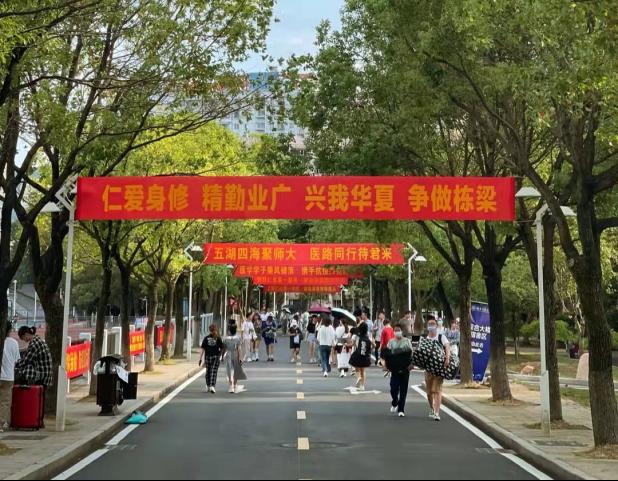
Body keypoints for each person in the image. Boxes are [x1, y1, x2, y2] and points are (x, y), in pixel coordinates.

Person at [384, 324, 413, 418]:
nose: (397, 332)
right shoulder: (391, 342)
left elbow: (411, 354)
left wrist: (411, 365)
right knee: (393, 388)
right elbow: (387, 355)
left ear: (402, 331)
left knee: (403, 390)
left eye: (399, 330)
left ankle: (401, 409)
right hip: (394, 369)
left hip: (405, 369)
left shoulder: (407, 341)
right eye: (395, 330)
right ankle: (395, 401)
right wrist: (386, 366)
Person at [425, 317, 451, 421]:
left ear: (436, 326)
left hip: (439, 369)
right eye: (429, 324)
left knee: (437, 390)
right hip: (429, 369)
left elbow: (447, 346)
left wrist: (447, 358)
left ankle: (437, 412)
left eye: (433, 324)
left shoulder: (441, 337)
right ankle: (432, 408)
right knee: (429, 392)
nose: (431, 326)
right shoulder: (426, 339)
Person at [1, 324, 20, 431]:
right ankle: (2, 423)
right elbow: (17, 360)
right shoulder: (13, 343)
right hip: (8, 377)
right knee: (5, 402)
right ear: (9, 330)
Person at [199, 325, 226, 394]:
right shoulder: (214, 338)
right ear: (215, 330)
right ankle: (210, 385)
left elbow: (222, 348)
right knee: (211, 372)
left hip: (211, 357)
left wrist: (200, 359)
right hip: (212, 357)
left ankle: (211, 386)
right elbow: (222, 348)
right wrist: (221, 356)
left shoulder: (213, 338)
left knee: (210, 371)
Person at [349, 322, 374, 391]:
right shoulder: (369, 336)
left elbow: (353, 344)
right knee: (363, 370)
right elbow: (373, 345)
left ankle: (358, 377)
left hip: (358, 354)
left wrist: (347, 344)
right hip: (365, 356)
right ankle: (362, 386)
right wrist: (369, 349)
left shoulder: (356, 335)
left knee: (355, 365)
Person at [223, 325, 247, 394]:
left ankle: (231, 385)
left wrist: (221, 356)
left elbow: (224, 348)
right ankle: (235, 384)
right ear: (235, 331)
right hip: (235, 354)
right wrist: (240, 358)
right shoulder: (238, 338)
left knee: (229, 370)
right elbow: (239, 349)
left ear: (229, 331)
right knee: (236, 370)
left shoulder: (225, 339)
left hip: (228, 355)